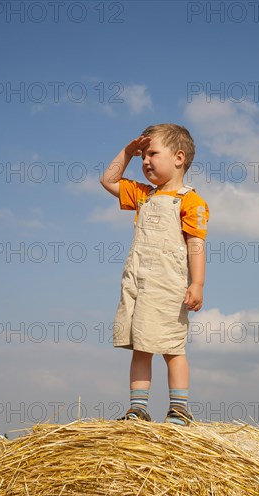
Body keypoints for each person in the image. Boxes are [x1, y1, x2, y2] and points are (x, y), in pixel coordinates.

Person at [100, 124, 209, 426]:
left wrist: (197, 283)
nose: (145, 160)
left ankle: (179, 409)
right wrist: (127, 152)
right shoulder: (143, 196)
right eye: (142, 155)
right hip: (137, 282)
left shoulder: (190, 201)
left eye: (152, 154)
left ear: (178, 157)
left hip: (168, 285)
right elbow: (108, 179)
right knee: (141, 346)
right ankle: (138, 408)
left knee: (172, 348)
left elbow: (196, 245)